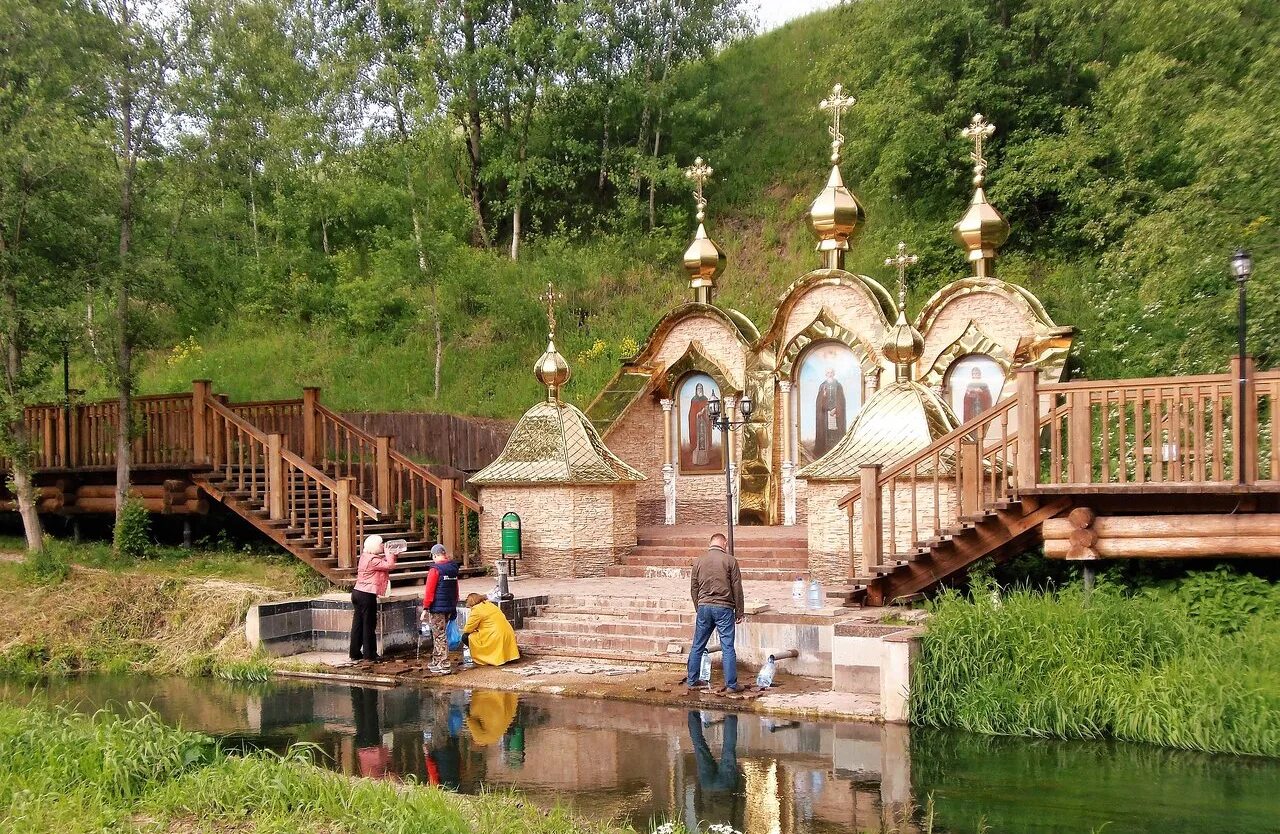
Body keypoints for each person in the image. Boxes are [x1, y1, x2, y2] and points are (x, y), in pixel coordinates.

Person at [686, 533, 745, 692]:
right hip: (724, 607)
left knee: (697, 645)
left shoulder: (699, 561)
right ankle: (731, 685)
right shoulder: (730, 561)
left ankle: (692, 681)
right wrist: (739, 612)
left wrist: (699, 607)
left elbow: (694, 588)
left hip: (704, 607)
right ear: (724, 543)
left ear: (710, 543)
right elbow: (737, 588)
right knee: (727, 647)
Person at [350, 534, 396, 662]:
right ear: (376, 546)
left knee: (358, 624)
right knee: (369, 625)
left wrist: (391, 555)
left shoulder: (365, 556)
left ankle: (354, 652)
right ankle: (370, 654)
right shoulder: (373, 560)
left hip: (357, 592)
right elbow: (390, 566)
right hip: (367, 595)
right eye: (381, 544)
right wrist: (389, 553)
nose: (383, 546)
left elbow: (385, 562)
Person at [420, 543, 460, 674]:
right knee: (440, 634)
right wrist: (454, 604)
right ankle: (436, 660)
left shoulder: (435, 569)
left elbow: (430, 590)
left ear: (436, 555)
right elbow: (456, 589)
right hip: (449, 605)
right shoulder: (453, 568)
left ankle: (444, 663)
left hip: (437, 607)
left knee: (439, 635)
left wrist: (425, 608)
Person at [461, 592, 520, 666]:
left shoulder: (476, 610)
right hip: (508, 633)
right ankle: (509, 656)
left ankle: (484, 656)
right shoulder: (490, 604)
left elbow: (467, 629)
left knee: (465, 637)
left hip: (495, 636)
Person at [813, 366, 847, 457]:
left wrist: (836, 409)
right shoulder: (822, 386)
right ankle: (825, 451)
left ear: (834, 374)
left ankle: (837, 451)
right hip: (825, 414)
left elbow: (841, 400)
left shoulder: (838, 385)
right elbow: (819, 401)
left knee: (835, 432)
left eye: (831, 372)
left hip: (836, 413)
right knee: (826, 432)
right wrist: (823, 397)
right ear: (826, 374)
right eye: (828, 373)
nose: (830, 374)